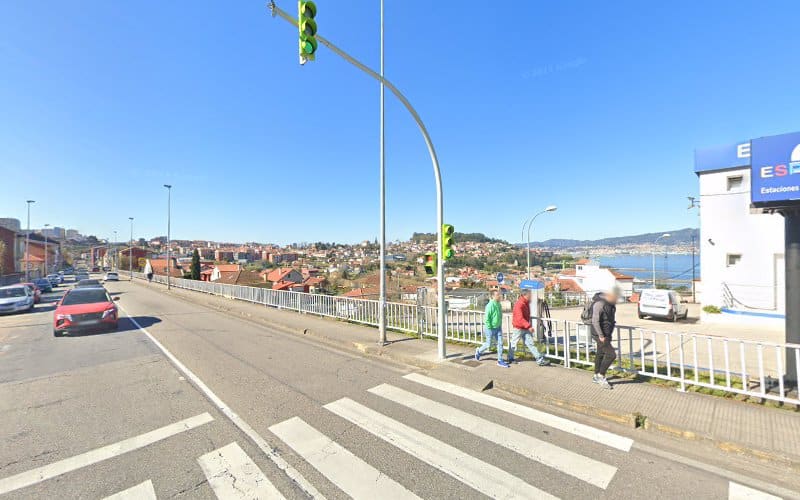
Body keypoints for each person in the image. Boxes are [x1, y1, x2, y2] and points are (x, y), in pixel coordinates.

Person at [509, 289, 550, 366]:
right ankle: (510, 358)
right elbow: (520, 318)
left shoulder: (525, 303)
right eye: (530, 295)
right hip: (519, 327)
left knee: (530, 343)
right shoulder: (519, 304)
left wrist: (527, 326)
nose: (531, 296)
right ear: (526, 295)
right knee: (514, 343)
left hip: (524, 327)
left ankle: (539, 359)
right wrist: (528, 326)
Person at [590, 288, 619, 389]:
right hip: (599, 335)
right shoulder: (599, 304)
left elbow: (609, 319)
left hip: (606, 334)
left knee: (600, 353)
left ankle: (595, 376)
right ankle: (601, 376)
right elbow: (595, 321)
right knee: (611, 355)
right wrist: (601, 336)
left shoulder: (610, 304)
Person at [475, 290, 509, 367]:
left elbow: (499, 315)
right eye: (497, 295)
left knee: (500, 343)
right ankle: (479, 352)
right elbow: (487, 318)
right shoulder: (490, 305)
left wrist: (499, 324)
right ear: (493, 296)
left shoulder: (499, 304)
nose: (499, 296)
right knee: (488, 344)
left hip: (498, 327)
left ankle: (500, 360)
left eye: (499, 295)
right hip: (490, 328)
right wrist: (490, 327)